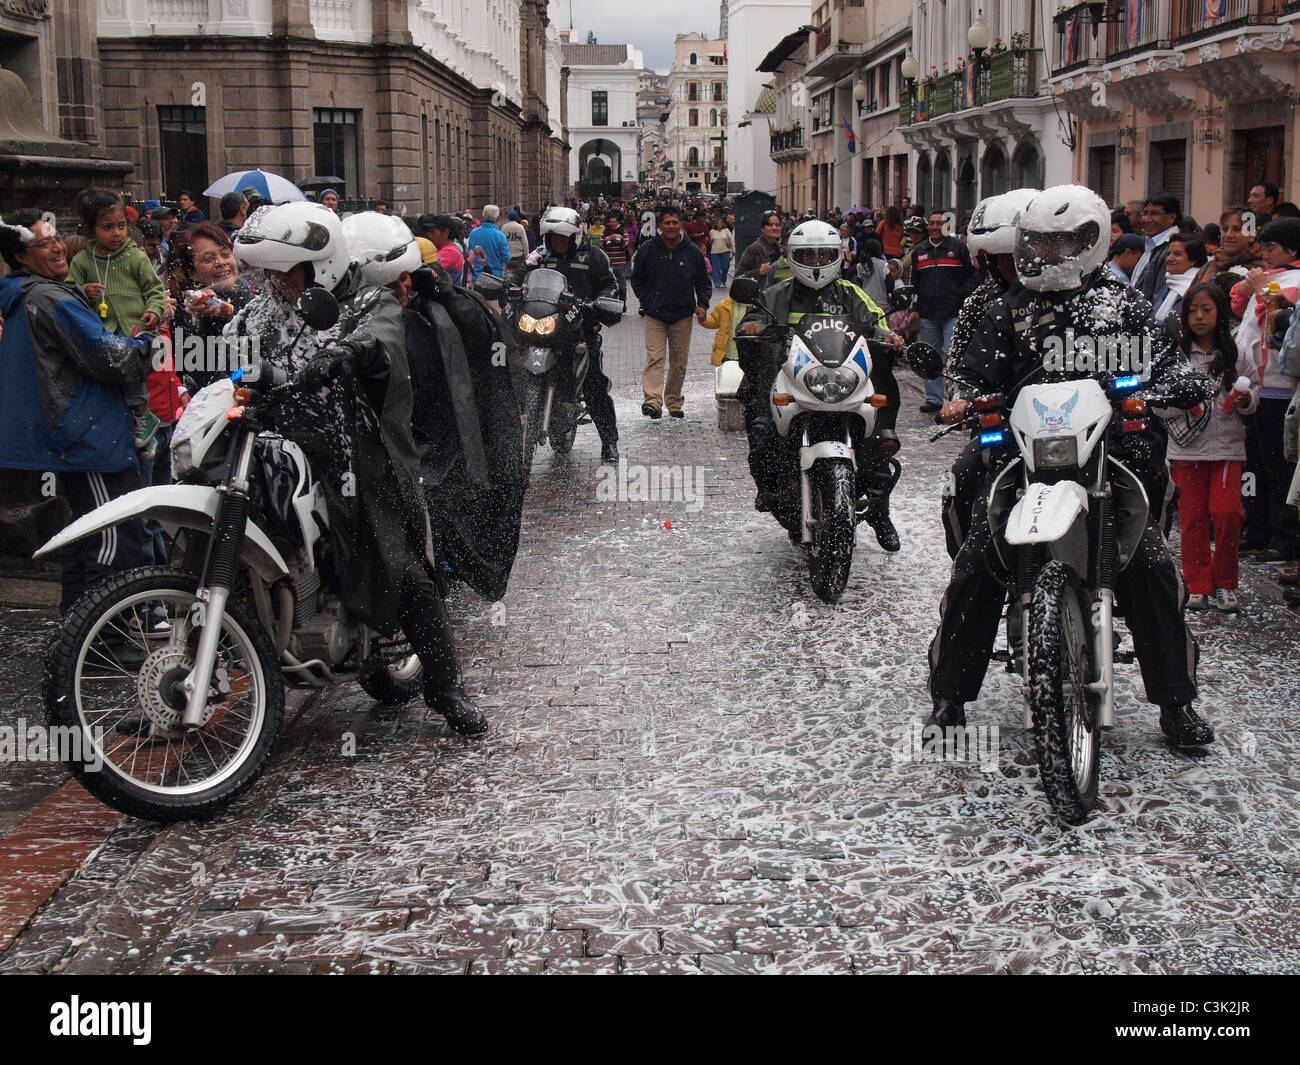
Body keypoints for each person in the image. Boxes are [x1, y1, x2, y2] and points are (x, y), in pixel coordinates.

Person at [928, 185, 1215, 748]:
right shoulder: (1008, 308)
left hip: (1109, 454)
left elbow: (1163, 360)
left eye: (1062, 243)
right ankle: (949, 695)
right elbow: (968, 370)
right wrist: (966, 396)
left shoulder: (1122, 305)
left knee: (1153, 566)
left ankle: (1176, 703)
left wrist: (1176, 385)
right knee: (978, 562)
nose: (1048, 254)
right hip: (1023, 454)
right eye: (1040, 243)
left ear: (1089, 243)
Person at [231, 202, 487, 736]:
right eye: (270, 272)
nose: (278, 282)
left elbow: (384, 340)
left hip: (358, 453)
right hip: (281, 446)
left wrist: (355, 351)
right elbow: (237, 344)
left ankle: (445, 687)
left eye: (286, 271)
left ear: (320, 264)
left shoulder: (368, 299)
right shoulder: (264, 307)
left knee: (404, 566)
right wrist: (200, 334)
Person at [0, 212, 154, 617]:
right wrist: (144, 345)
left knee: (86, 539)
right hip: (89, 437)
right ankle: (108, 635)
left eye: (56, 239)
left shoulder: (32, 293)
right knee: (113, 537)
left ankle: (80, 635)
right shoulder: (49, 298)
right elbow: (111, 357)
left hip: (79, 434)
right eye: (43, 243)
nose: (56, 248)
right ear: (20, 255)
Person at [736, 219, 905, 551]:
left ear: (836, 256)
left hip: (842, 381)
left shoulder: (850, 293)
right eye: (808, 255)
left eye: (822, 255)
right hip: (790, 377)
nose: (815, 263)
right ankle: (768, 484)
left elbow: (875, 320)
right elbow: (752, 319)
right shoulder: (776, 294)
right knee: (759, 420)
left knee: (878, 434)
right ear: (795, 256)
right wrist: (754, 328)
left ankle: (880, 511)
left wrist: (890, 337)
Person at [939, 189, 1037, 558]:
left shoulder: (1085, 293)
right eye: (1002, 262)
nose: (1012, 270)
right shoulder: (982, 301)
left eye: (1016, 259)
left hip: (1078, 424)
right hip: (1005, 421)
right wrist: (960, 398)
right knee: (964, 478)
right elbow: (959, 363)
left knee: (1142, 463)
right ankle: (968, 569)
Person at [1167, 283, 1259, 612]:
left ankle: (1226, 581)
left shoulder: (1236, 351)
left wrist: (1247, 399)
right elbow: (1160, 401)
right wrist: (1183, 405)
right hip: (1186, 449)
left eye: (1207, 309)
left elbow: (1253, 391)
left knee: (1227, 513)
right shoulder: (1175, 355)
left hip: (1227, 448)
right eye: (1192, 310)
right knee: (1192, 518)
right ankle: (1198, 583)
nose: (1199, 317)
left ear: (1219, 312)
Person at [67, 188, 167, 457]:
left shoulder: (135, 257)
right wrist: (84, 289)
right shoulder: (83, 261)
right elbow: (66, 292)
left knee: (133, 378)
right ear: (90, 229)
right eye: (107, 227)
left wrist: (153, 311)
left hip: (135, 332)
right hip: (102, 335)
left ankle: (143, 418)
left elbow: (154, 290)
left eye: (121, 226)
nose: (117, 233)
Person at [517, 206, 621, 462]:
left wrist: (602, 301)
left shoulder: (593, 256)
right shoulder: (540, 256)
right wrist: (510, 287)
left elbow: (610, 284)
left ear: (574, 236)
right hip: (545, 327)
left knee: (594, 384)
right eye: (553, 238)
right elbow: (521, 278)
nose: (558, 242)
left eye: (563, 238)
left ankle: (609, 442)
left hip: (580, 331)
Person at [1233, 216, 1300, 562]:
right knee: (1256, 466)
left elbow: (1275, 320)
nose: (1264, 254)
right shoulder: (1271, 277)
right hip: (1257, 387)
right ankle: (1257, 529)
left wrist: (1258, 290)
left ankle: (1282, 535)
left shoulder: (1294, 281)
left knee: (1280, 467)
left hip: (1281, 388)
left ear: (1291, 249)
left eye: (1271, 248)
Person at [629, 204, 711, 420]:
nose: (672, 226)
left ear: (680, 224)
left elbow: (703, 282)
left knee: (679, 361)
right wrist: (646, 300)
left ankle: (674, 401)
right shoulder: (648, 249)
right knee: (655, 357)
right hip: (654, 314)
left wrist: (702, 304)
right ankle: (653, 401)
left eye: (675, 222)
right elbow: (636, 278)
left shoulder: (692, 251)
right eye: (667, 223)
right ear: (661, 225)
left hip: (682, 316)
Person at [169, 221, 254, 389]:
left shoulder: (253, 297)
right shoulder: (188, 311)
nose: (220, 262)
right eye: (208, 259)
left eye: (225, 254)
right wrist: (204, 322)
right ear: (192, 273)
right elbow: (199, 374)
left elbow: (255, 363)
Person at [913, 209, 978, 414]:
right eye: (931, 223)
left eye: (938, 223)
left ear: (946, 225)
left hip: (952, 311)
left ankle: (955, 396)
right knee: (929, 358)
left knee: (953, 356)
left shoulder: (958, 248)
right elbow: (915, 283)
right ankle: (933, 399)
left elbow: (973, 276)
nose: (933, 227)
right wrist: (915, 308)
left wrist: (960, 296)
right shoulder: (919, 250)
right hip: (928, 313)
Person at [1132, 192, 1181, 304]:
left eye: (1154, 214)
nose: (1147, 219)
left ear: (1172, 217)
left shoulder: (1172, 249)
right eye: (1145, 213)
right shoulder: (1151, 243)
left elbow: (1158, 296)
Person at [1153, 234, 1207, 331]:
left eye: (1177, 254)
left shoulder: (1197, 289)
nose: (1169, 258)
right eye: (1169, 253)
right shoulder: (1169, 283)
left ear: (1193, 260)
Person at [735, 210, 783, 289]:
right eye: (770, 224)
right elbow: (738, 276)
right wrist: (759, 272)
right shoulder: (754, 249)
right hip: (760, 297)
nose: (774, 227)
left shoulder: (780, 249)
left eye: (777, 225)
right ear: (763, 228)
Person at [469, 204, 509, 282]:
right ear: (497, 218)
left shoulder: (473, 233)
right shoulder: (500, 235)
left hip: (476, 276)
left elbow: (470, 251)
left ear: (483, 216)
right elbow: (506, 258)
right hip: (495, 277)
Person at [599, 214, 631, 305]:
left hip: (620, 264)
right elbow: (600, 247)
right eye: (610, 222)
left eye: (614, 222)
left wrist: (620, 239)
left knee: (622, 288)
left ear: (618, 222)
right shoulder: (604, 232)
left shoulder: (623, 231)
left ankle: (622, 304)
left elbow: (626, 247)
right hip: (609, 265)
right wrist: (606, 239)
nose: (612, 224)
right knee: (608, 287)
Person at [708, 216, 734, 289]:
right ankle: (717, 282)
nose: (719, 224)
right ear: (715, 224)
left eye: (721, 223)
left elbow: (731, 240)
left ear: (723, 224)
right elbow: (710, 241)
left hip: (725, 251)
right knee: (716, 268)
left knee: (725, 267)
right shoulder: (712, 231)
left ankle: (723, 280)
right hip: (715, 252)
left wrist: (733, 248)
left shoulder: (726, 230)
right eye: (718, 223)